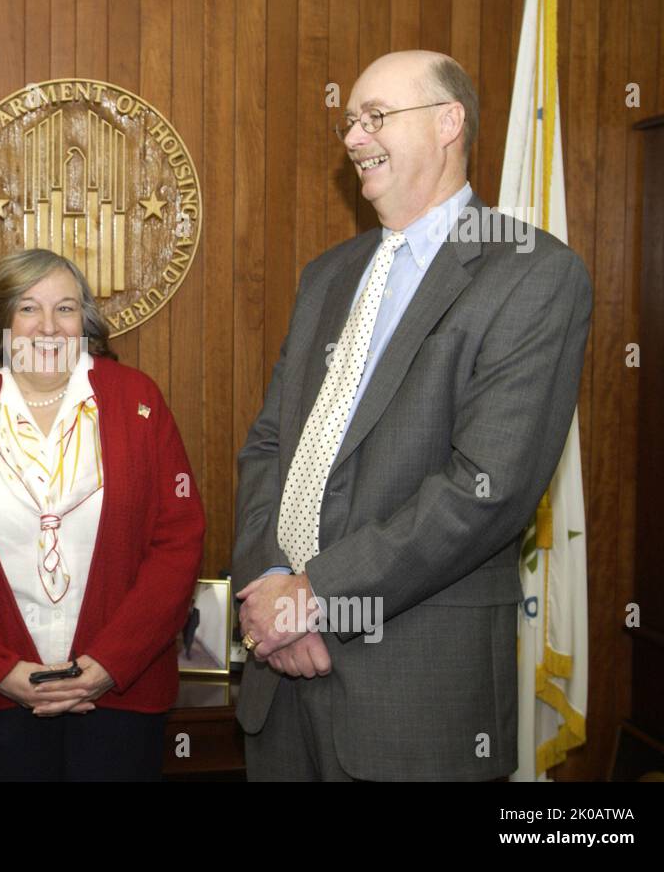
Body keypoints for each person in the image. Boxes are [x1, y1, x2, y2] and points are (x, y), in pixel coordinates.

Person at [231, 51, 592, 781]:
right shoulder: (328, 275)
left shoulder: (532, 273)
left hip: (414, 706)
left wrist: (316, 595)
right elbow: (271, 443)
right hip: (280, 691)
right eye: (350, 122)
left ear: (448, 122)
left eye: (376, 117)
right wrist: (271, 583)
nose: (354, 137)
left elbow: (484, 488)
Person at [0, 249, 205, 781]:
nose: (48, 327)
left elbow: (177, 543)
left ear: (85, 322)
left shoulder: (140, 400)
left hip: (118, 700)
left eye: (65, 309)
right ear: (2, 323)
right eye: (27, 308)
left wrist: (109, 664)